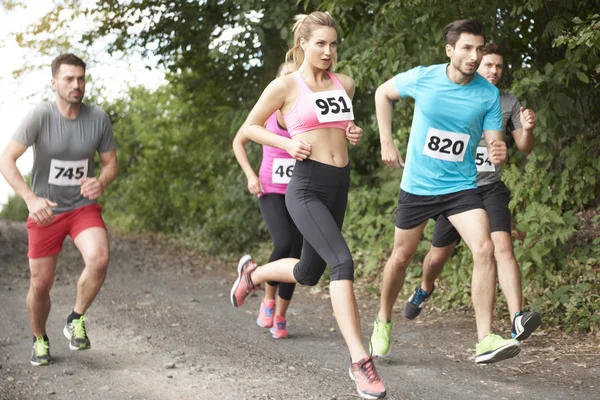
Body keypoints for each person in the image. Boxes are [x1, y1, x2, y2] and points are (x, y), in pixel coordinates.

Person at [229, 12, 386, 400]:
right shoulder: (285, 86)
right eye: (321, 43)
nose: (329, 51)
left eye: (334, 44)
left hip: (339, 185)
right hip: (306, 187)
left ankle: (253, 274)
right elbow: (250, 127)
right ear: (303, 45)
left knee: (308, 271)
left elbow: (339, 129)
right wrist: (286, 144)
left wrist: (352, 131)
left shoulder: (344, 84)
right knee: (342, 263)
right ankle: (359, 362)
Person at [370, 20, 520, 365]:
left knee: (484, 248)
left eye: (479, 49)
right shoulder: (425, 77)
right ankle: (383, 319)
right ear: (449, 50)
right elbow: (383, 93)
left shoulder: (488, 94)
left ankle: (484, 339)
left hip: (460, 186)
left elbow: (495, 139)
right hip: (419, 185)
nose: (474, 56)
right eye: (466, 48)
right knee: (401, 258)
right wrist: (387, 140)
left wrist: (499, 150)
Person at [405, 43, 541, 341]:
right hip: (455, 190)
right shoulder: (453, 93)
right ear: (475, 63)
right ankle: (425, 287)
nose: (494, 71)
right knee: (437, 258)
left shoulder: (507, 102)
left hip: (489, 188)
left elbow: (524, 148)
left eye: (499, 66)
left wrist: (527, 129)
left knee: (502, 246)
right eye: (488, 64)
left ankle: (518, 317)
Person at [0, 54, 118, 366]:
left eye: (80, 78)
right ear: (54, 82)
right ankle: (39, 339)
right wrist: (30, 199)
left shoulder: (98, 118)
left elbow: (110, 164)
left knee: (99, 257)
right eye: (68, 78)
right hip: (45, 211)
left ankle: (75, 319)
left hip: (82, 207)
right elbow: (6, 160)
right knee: (41, 286)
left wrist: (101, 182)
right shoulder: (40, 116)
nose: (76, 84)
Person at [232, 62, 302, 339]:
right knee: (283, 243)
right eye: (284, 77)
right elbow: (239, 141)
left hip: (299, 192)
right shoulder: (267, 111)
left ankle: (281, 316)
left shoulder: (305, 114)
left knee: (296, 257)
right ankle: (268, 300)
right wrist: (250, 175)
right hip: (270, 188)